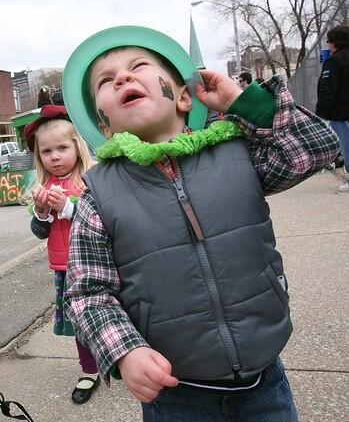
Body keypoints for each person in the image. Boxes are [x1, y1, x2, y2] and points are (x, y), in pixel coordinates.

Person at [62, 26, 339, 422]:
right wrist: (124, 351)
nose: (122, 77)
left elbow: (316, 149)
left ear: (183, 97)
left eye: (138, 66)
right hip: (175, 394)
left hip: (264, 381)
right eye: (106, 81)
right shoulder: (98, 196)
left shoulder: (237, 154)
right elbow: (88, 292)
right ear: (105, 127)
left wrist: (245, 104)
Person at [23, 105, 100, 405]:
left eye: (62, 148)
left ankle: (121, 356)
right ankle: (89, 370)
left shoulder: (92, 179)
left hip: (97, 262)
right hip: (65, 267)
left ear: (78, 146)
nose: (54, 156)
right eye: (46, 151)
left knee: (113, 311)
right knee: (79, 322)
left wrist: (67, 208)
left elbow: (103, 219)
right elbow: (40, 232)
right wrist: (42, 212)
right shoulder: (42, 187)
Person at [316, 25, 349, 191]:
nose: (328, 45)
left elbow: (328, 89)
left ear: (335, 42)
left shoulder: (334, 61)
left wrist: (320, 113)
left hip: (342, 112)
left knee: (347, 144)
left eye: (329, 41)